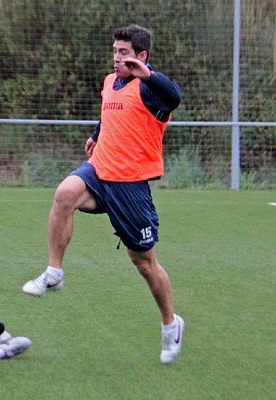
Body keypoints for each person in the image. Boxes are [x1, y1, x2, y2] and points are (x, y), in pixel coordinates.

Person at [22, 24, 184, 364]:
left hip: (131, 186)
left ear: (141, 56)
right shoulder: (110, 82)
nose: (116, 58)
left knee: (145, 264)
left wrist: (148, 74)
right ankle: (55, 272)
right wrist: (97, 133)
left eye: (124, 53)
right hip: (100, 169)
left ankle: (171, 324)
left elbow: (174, 98)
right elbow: (110, 111)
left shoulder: (151, 89)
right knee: (65, 193)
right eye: (114, 51)